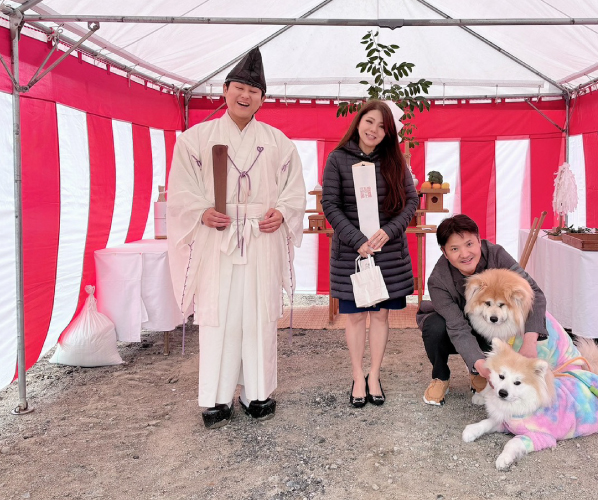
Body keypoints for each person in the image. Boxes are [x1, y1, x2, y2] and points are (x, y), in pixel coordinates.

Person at [166, 48, 307, 428]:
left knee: (258, 314)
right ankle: (216, 397)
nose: (246, 96)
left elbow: (295, 192)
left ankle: (257, 393)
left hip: (261, 236)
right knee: (217, 316)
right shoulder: (195, 139)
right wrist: (200, 210)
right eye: (240, 87)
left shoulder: (279, 142)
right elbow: (181, 189)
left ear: (263, 98)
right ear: (225, 90)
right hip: (218, 237)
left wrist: (282, 212)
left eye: (254, 91)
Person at [321, 100, 420, 408]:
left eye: (382, 126)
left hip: (388, 253)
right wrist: (356, 239)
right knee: (354, 317)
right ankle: (356, 375)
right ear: (359, 121)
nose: (374, 130)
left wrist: (389, 231)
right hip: (352, 253)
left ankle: (374, 374)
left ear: (389, 132)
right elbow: (331, 205)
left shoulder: (395, 160)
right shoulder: (337, 159)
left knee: (380, 315)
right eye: (370, 122)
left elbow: (412, 202)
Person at [416, 214, 548, 406]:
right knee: (434, 326)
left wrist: (529, 342)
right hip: (452, 326)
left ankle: (476, 373)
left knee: (493, 319)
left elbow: (534, 293)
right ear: (444, 252)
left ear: (479, 240)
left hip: (487, 324)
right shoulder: (438, 280)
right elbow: (457, 327)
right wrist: (479, 364)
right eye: (454, 249)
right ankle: (441, 376)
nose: (464, 254)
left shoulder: (497, 255)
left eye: (469, 244)